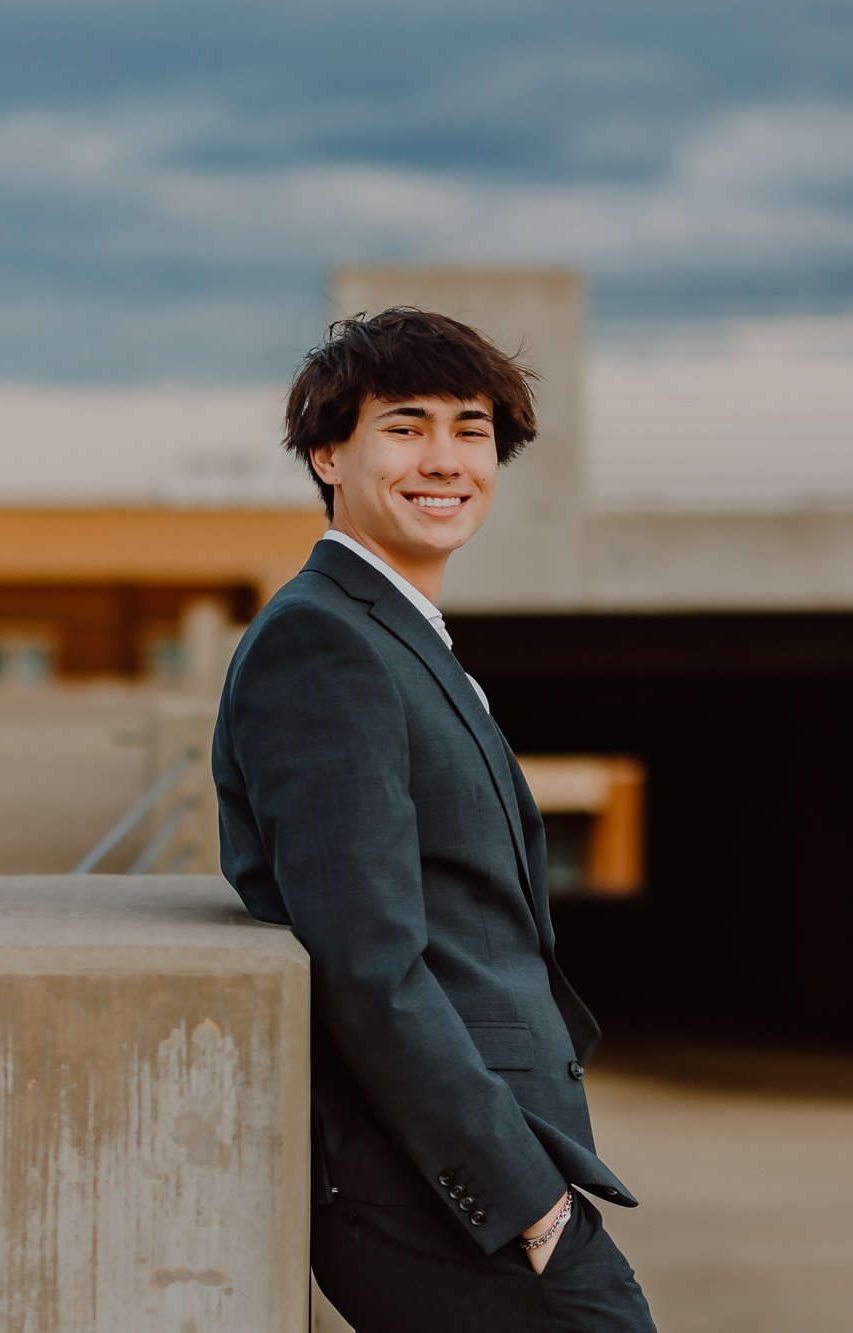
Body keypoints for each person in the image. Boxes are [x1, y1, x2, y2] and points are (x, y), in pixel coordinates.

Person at [210, 307, 657, 1330]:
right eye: (404, 427)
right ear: (327, 452)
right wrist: (526, 1204)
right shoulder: (322, 647)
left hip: (481, 1166)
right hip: (430, 1190)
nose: (444, 460)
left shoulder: (393, 635)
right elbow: (369, 960)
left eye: (470, 430)